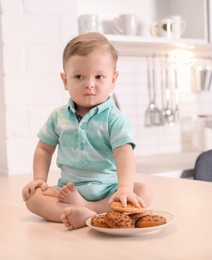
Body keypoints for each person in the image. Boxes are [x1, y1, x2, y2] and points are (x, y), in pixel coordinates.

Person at [21, 32, 152, 230]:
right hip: (68, 190)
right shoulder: (58, 116)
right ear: (65, 80)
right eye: (79, 76)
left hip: (108, 191)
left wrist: (124, 188)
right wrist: (39, 179)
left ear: (113, 80)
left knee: (144, 191)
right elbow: (44, 149)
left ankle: (87, 210)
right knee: (32, 198)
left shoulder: (115, 119)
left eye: (99, 76)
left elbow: (124, 153)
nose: (89, 84)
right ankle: (89, 213)